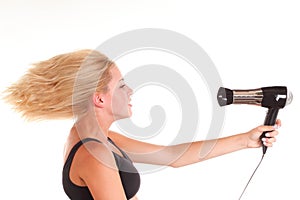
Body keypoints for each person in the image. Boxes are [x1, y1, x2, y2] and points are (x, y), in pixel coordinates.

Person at [3, 49, 281, 200]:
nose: (131, 91)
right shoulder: (94, 154)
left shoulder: (93, 136)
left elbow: (171, 156)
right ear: (99, 98)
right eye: (122, 85)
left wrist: (246, 140)